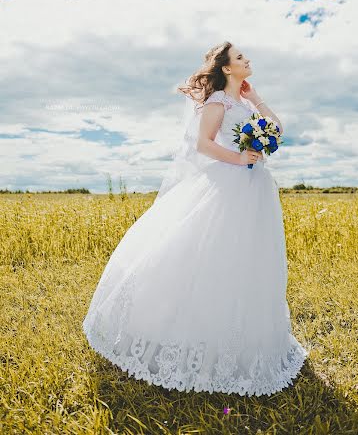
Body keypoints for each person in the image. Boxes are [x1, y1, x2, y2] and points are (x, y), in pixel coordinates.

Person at [82, 41, 309, 397]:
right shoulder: (218, 101)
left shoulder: (246, 102)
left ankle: (246, 338)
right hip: (228, 183)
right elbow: (204, 144)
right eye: (240, 58)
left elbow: (277, 131)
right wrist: (240, 160)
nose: (247, 60)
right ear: (227, 68)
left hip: (255, 188)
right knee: (207, 255)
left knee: (250, 261)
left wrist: (257, 98)